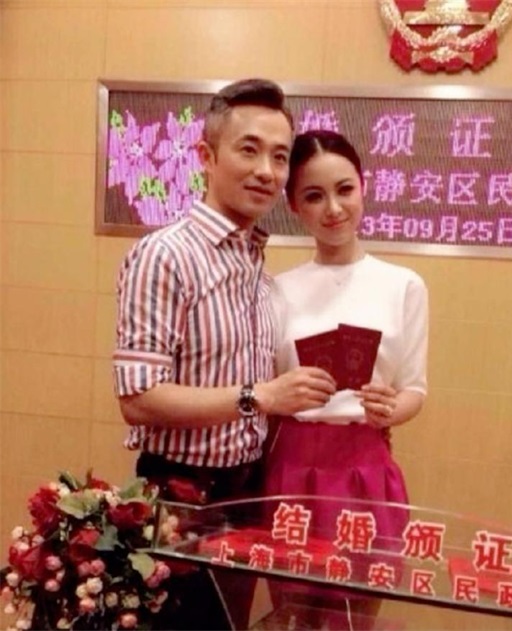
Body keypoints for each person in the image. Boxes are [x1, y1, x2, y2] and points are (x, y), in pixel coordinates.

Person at [112, 79, 336, 631]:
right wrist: (261, 397)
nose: (266, 170)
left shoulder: (254, 264)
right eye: (249, 150)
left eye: (279, 157)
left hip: (248, 489)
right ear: (207, 157)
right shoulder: (166, 255)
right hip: (183, 494)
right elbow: (138, 398)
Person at [265, 129, 429, 630]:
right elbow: (267, 389)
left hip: (365, 468)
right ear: (294, 205)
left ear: (364, 187)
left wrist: (390, 408)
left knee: (355, 618)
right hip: (292, 468)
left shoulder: (403, 285)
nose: (334, 208)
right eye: (314, 195)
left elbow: (415, 388)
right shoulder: (276, 290)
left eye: (345, 189)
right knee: (292, 615)